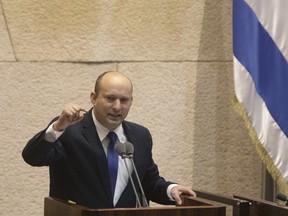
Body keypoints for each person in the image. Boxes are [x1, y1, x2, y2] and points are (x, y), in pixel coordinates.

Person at [22, 71, 196, 209]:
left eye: (124, 100)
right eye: (110, 98)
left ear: (131, 102)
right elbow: (32, 157)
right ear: (94, 98)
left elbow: (147, 182)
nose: (117, 107)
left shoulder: (140, 136)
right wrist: (58, 127)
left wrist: (171, 189)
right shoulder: (68, 130)